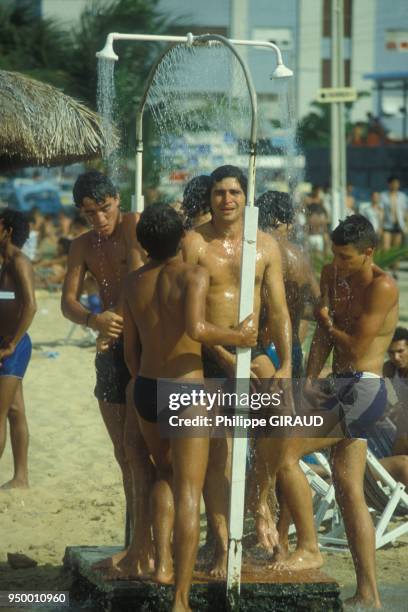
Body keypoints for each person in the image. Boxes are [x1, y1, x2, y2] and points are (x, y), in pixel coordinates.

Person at [257, 215, 398, 609]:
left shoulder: (382, 287)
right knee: (348, 490)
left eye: (346, 257)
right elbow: (322, 337)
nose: (337, 263)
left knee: (286, 453)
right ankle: (368, 594)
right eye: (334, 254)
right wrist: (310, 378)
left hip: (366, 390)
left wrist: (325, 320)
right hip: (337, 385)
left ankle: (309, 547)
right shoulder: (332, 273)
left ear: (368, 253)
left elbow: (354, 343)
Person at [121, 203, 257, 612]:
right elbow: (197, 328)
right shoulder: (193, 274)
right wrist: (240, 334)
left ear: (143, 243)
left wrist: (145, 380)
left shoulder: (131, 284)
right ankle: (180, 599)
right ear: (182, 237)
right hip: (186, 391)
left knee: (163, 472)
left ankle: (162, 565)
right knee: (188, 491)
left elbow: (131, 351)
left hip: (145, 387)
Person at [182, 165, 292, 576]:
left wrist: (287, 363)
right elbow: (184, 313)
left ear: (247, 197)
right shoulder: (195, 243)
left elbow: (279, 309)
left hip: (252, 348)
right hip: (207, 350)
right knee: (219, 452)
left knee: (283, 419)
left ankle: (259, 500)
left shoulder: (263, 246)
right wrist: (227, 358)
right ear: (209, 198)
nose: (226, 199)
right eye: (219, 193)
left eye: (234, 192)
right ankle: (223, 542)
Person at [61, 170, 146, 569]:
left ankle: (147, 539)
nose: (98, 219)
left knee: (149, 448)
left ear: (118, 199)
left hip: (145, 345)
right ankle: (133, 537)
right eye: (89, 213)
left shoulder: (134, 225)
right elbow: (68, 303)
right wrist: (96, 321)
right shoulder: (82, 245)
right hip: (110, 345)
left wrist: (119, 318)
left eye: (104, 208)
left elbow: (146, 278)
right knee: (122, 451)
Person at [0, 209, 37, 489]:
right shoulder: (3, 263)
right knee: (14, 410)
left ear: (8, 230)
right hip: (4, 344)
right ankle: (21, 477)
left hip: (13, 346)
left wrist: (12, 343)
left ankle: (21, 476)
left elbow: (30, 306)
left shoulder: (19, 262)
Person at [380, 176, 407, 276]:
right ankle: (386, 268)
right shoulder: (383, 196)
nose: (396, 185)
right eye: (394, 183)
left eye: (397, 183)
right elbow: (381, 211)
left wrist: (406, 225)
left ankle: (395, 270)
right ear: (389, 184)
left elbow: (405, 212)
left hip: (399, 224)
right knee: (386, 248)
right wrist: (380, 226)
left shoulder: (402, 196)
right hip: (387, 224)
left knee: (396, 249)